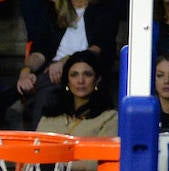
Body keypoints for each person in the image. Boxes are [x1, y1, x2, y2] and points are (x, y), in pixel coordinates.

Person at [35, 51, 117, 171]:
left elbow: (98, 161)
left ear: (97, 80)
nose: (80, 81)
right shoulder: (50, 115)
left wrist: (58, 163)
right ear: (67, 80)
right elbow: (35, 152)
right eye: (74, 75)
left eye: (87, 74)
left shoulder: (109, 117)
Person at [16, 0, 117, 130]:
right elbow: (40, 51)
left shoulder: (103, 9)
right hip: (52, 68)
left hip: (84, 66)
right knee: (38, 85)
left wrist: (66, 62)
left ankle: (40, 141)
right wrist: (26, 70)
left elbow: (98, 48)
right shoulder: (53, 11)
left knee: (45, 93)